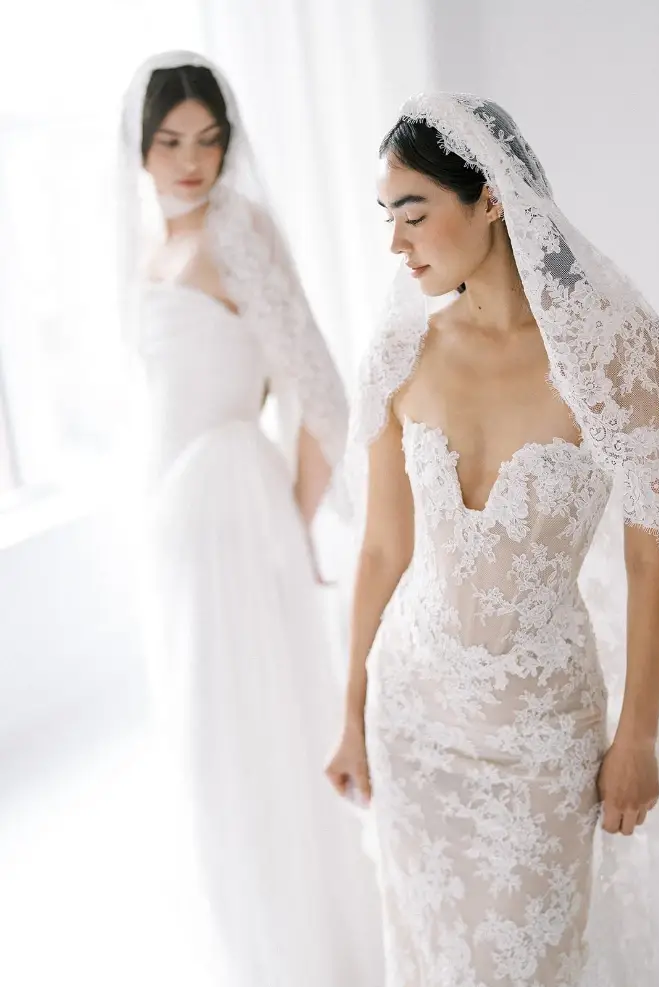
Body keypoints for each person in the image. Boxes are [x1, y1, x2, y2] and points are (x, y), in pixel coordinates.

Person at [326, 93, 659, 986]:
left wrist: (639, 737)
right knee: (430, 957)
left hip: (542, 733)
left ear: (490, 198)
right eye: (385, 218)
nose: (396, 244)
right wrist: (352, 711)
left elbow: (649, 555)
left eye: (414, 213)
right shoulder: (400, 352)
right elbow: (381, 551)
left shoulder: (616, 357)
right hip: (414, 717)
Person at [119, 51, 382, 987]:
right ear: (141, 150)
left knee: (260, 736)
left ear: (230, 145)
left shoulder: (240, 231)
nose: (191, 161)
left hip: (236, 510)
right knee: (210, 745)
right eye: (170, 142)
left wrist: (291, 518)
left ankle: (310, 956)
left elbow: (321, 394)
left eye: (208, 140)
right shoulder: (151, 249)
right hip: (177, 523)